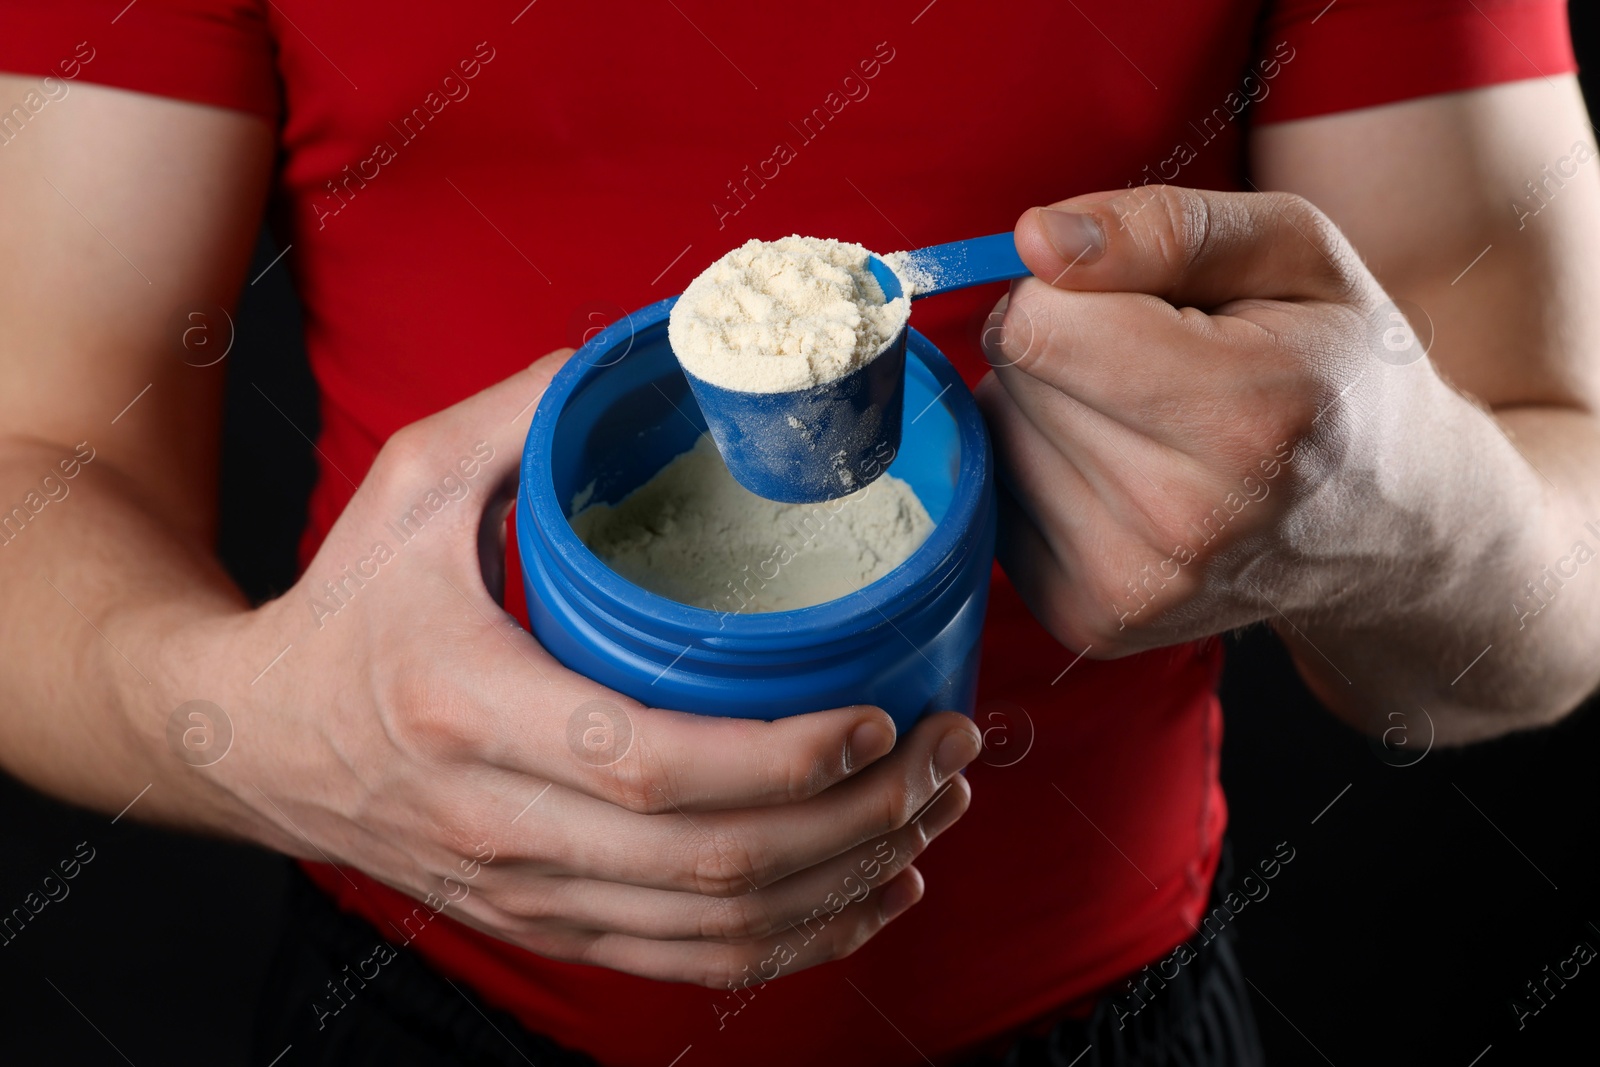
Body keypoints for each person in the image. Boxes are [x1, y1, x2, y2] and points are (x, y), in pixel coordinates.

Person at [0, 1, 1593, 1064]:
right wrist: (250, 731)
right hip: (421, 994)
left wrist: (1414, 518)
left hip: (1097, 1007)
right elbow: (36, 454)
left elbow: (1558, 555)